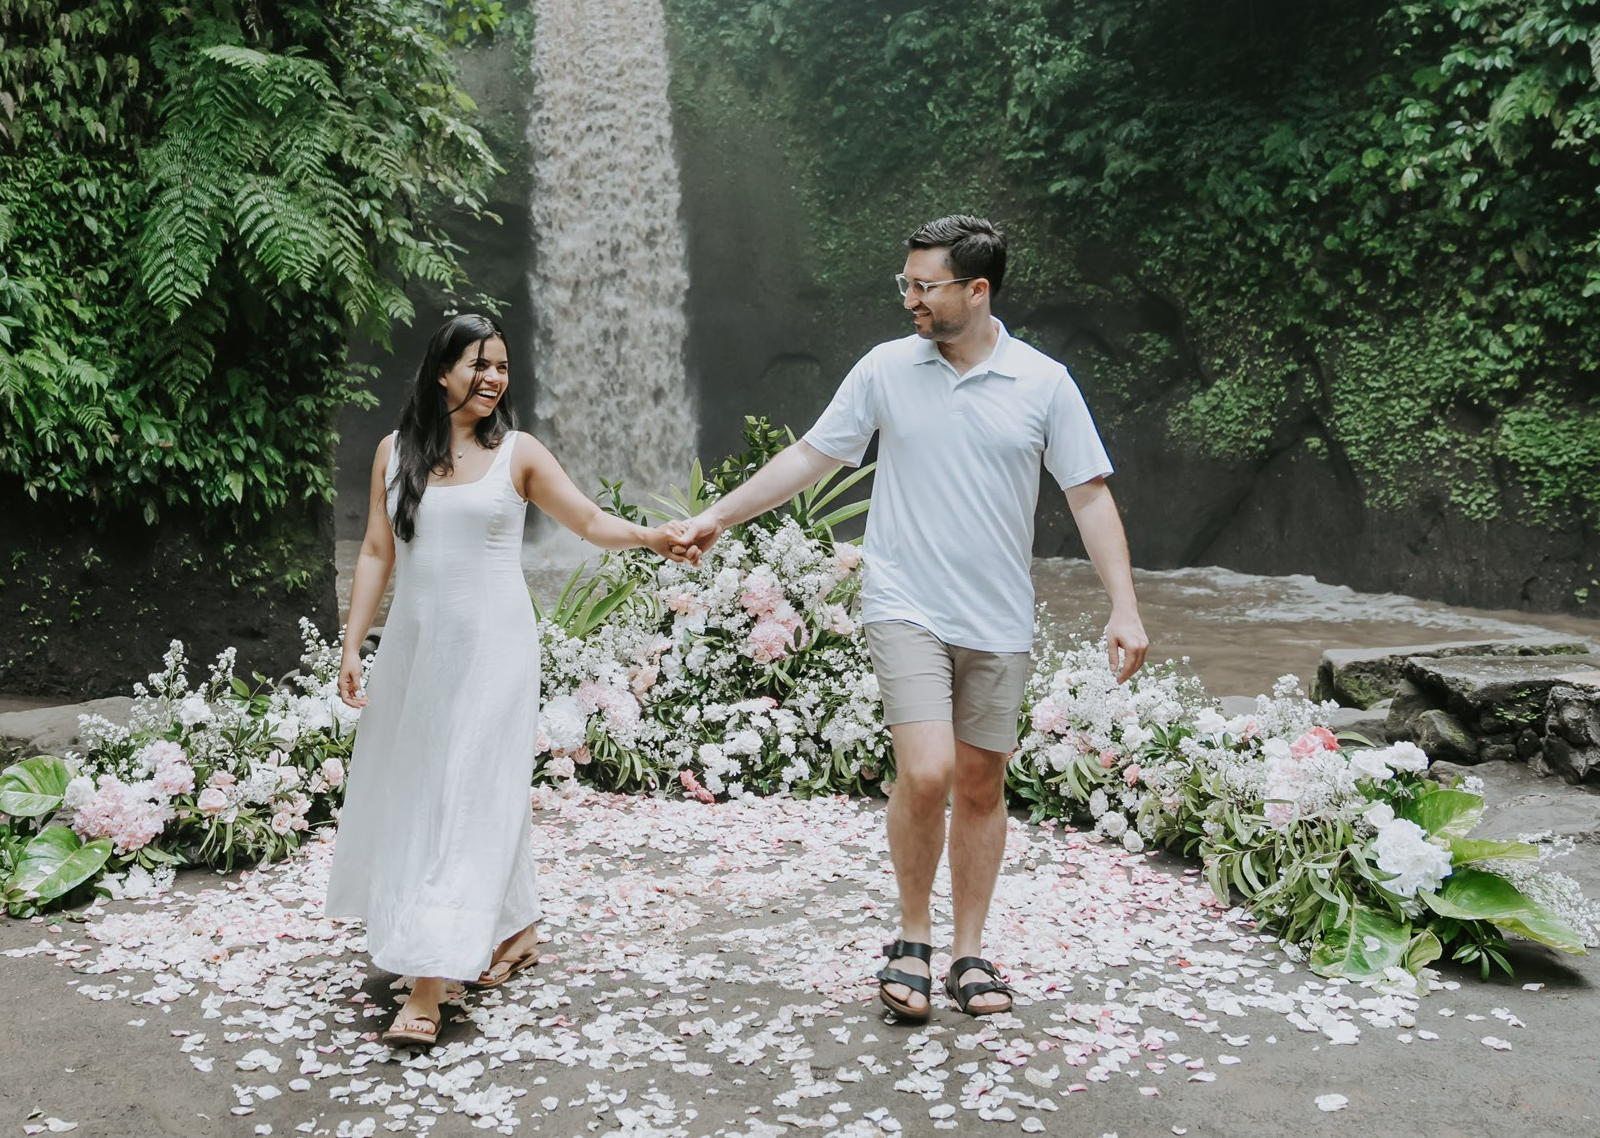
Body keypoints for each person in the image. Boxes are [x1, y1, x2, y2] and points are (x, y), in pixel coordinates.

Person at [663, 215, 1147, 1023]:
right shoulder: (886, 368)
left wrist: (1124, 605)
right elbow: (812, 455)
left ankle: (968, 950)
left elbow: (1088, 494)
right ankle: (911, 938)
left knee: (982, 783)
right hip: (905, 604)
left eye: (925, 286)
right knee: (926, 772)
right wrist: (721, 514)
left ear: (977, 289)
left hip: (996, 616)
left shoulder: (1044, 382)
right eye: (907, 283)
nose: (911, 298)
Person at [327, 313, 698, 1051]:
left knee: (461, 789)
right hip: (415, 646)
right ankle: (517, 926)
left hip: (494, 647)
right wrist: (352, 643)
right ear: (441, 371)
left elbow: (587, 520)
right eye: (478, 364)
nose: (494, 377)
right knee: (426, 784)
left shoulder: (517, 454)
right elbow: (376, 549)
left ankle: (429, 984)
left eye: (501, 366)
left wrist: (653, 536)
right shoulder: (394, 452)